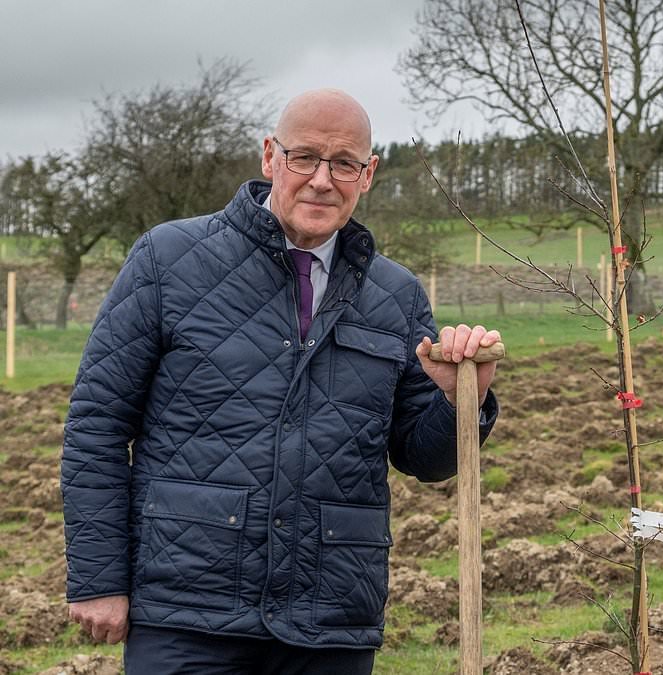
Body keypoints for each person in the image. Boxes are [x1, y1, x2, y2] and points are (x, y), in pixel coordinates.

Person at [60, 89, 500, 674]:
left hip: (329, 617)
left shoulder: (395, 295)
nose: (322, 180)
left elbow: (427, 459)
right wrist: (98, 579)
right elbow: (97, 427)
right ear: (270, 156)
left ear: (368, 174)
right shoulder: (168, 260)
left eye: (343, 163)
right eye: (305, 157)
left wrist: (460, 398)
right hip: (186, 610)